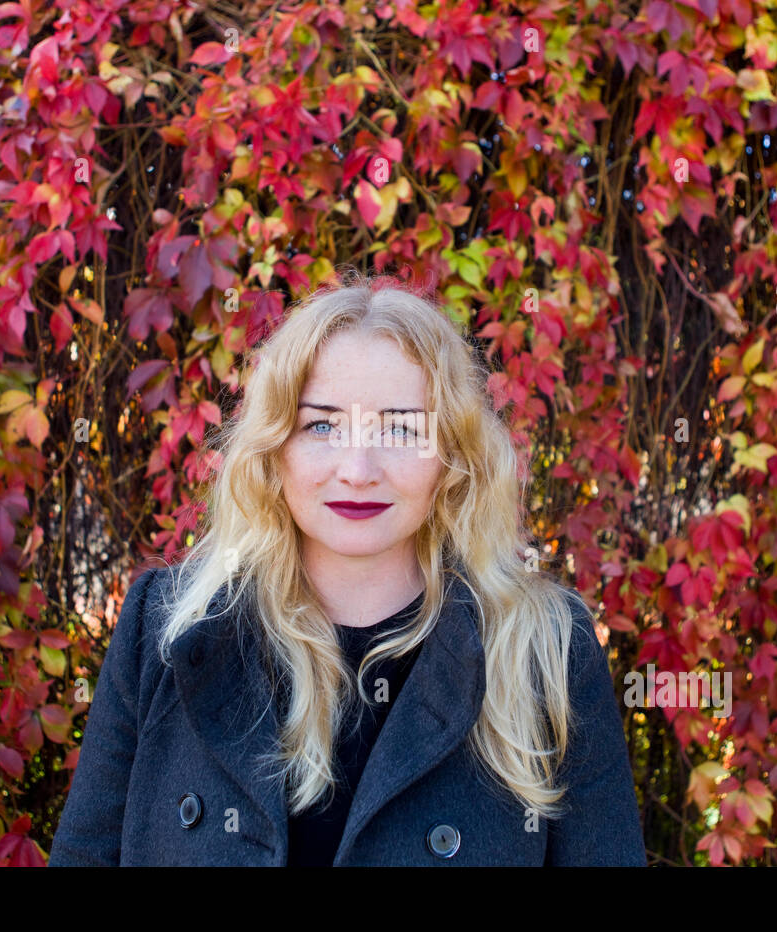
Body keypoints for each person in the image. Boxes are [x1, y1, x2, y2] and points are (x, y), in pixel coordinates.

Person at [48, 270, 645, 865]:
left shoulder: (543, 647)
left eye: (401, 429)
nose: (357, 468)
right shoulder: (168, 628)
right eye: (322, 425)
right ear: (274, 449)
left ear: (452, 458)